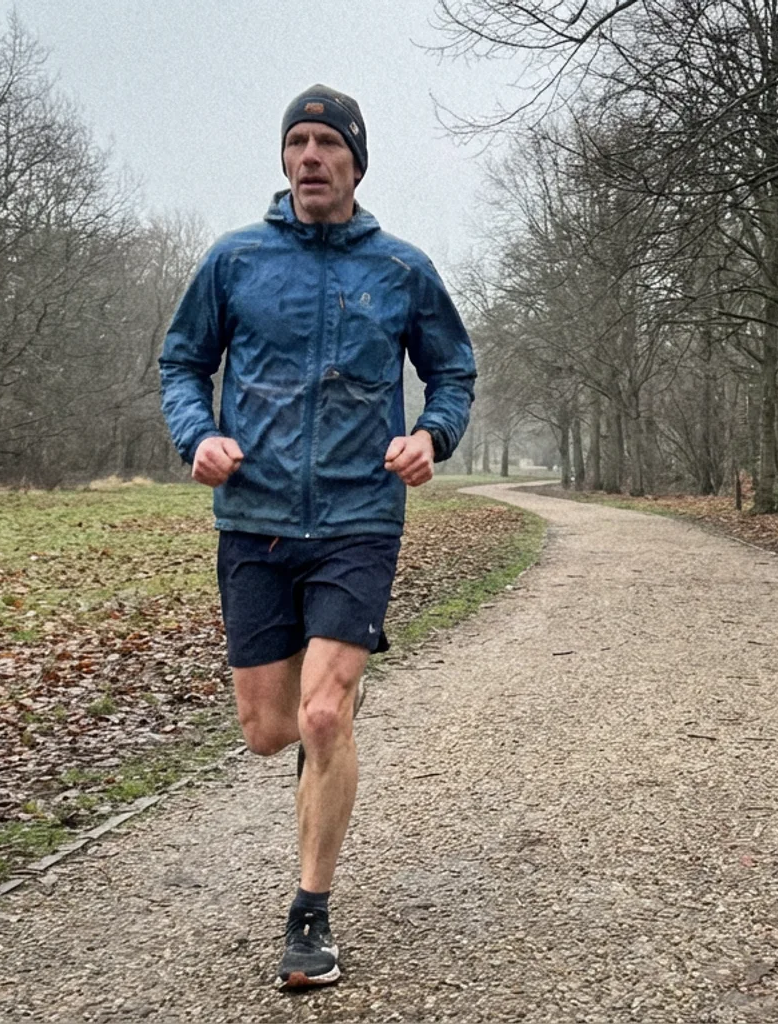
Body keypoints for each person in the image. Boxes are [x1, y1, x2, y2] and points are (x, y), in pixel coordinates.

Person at [158, 84, 475, 989]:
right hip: (254, 519)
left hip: (358, 517)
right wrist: (197, 436)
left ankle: (310, 914)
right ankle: (319, 718)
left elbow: (452, 370)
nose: (310, 156)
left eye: (327, 144)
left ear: (355, 163)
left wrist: (431, 436)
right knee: (269, 730)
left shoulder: (402, 269)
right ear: (284, 158)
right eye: (297, 141)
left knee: (324, 713)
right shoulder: (236, 261)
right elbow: (183, 362)